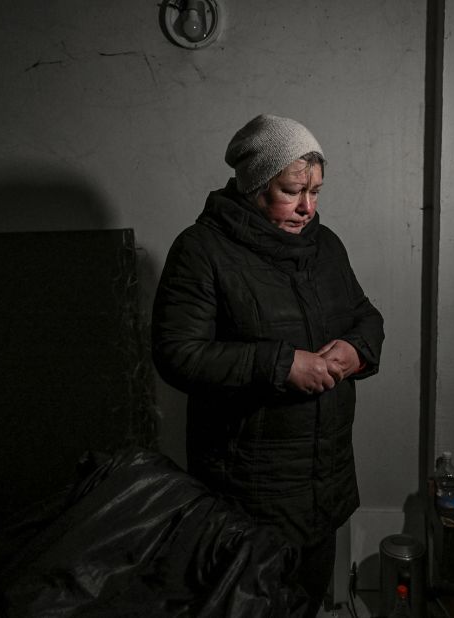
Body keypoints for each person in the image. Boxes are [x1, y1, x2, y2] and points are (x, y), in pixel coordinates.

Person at [152, 114, 384, 616]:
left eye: (316, 192)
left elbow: (365, 314)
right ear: (254, 184)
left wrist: (357, 349)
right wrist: (281, 366)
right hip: (248, 491)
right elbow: (178, 353)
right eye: (292, 190)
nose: (307, 207)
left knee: (305, 603)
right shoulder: (201, 251)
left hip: (324, 479)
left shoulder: (326, 246)